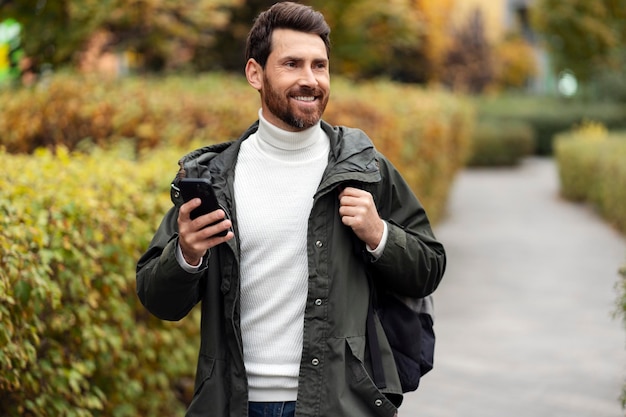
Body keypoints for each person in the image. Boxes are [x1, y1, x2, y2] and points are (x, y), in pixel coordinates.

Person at [136, 2, 446, 417]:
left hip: (337, 404)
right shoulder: (215, 178)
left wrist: (380, 235)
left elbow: (430, 266)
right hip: (235, 404)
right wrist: (186, 255)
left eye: (320, 66)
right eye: (292, 64)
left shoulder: (363, 168)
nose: (309, 80)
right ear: (255, 73)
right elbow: (158, 300)